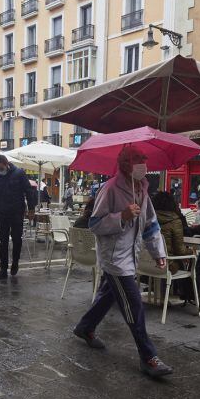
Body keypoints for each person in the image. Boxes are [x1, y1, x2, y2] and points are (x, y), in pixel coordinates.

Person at [71, 145, 173, 378]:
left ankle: (85, 327)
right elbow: (95, 224)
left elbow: (150, 225)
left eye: (145, 158)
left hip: (130, 255)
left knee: (109, 294)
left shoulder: (143, 191)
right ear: (125, 163)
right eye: (138, 158)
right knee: (133, 304)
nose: (143, 162)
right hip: (115, 259)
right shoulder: (110, 190)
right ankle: (148, 356)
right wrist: (122, 216)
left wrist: (158, 253)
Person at [0, 154, 37, 281]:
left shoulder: (19, 173)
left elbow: (28, 191)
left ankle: (15, 262)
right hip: (2, 214)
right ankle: (3, 269)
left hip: (17, 213)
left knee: (17, 240)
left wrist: (31, 209)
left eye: (1, 168)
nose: (0, 171)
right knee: (3, 242)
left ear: (6, 164)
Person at [152, 191, 195, 302]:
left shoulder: (147, 218)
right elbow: (180, 251)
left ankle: (167, 295)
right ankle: (188, 294)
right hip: (165, 265)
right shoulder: (175, 221)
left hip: (144, 264)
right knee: (184, 260)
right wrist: (191, 252)